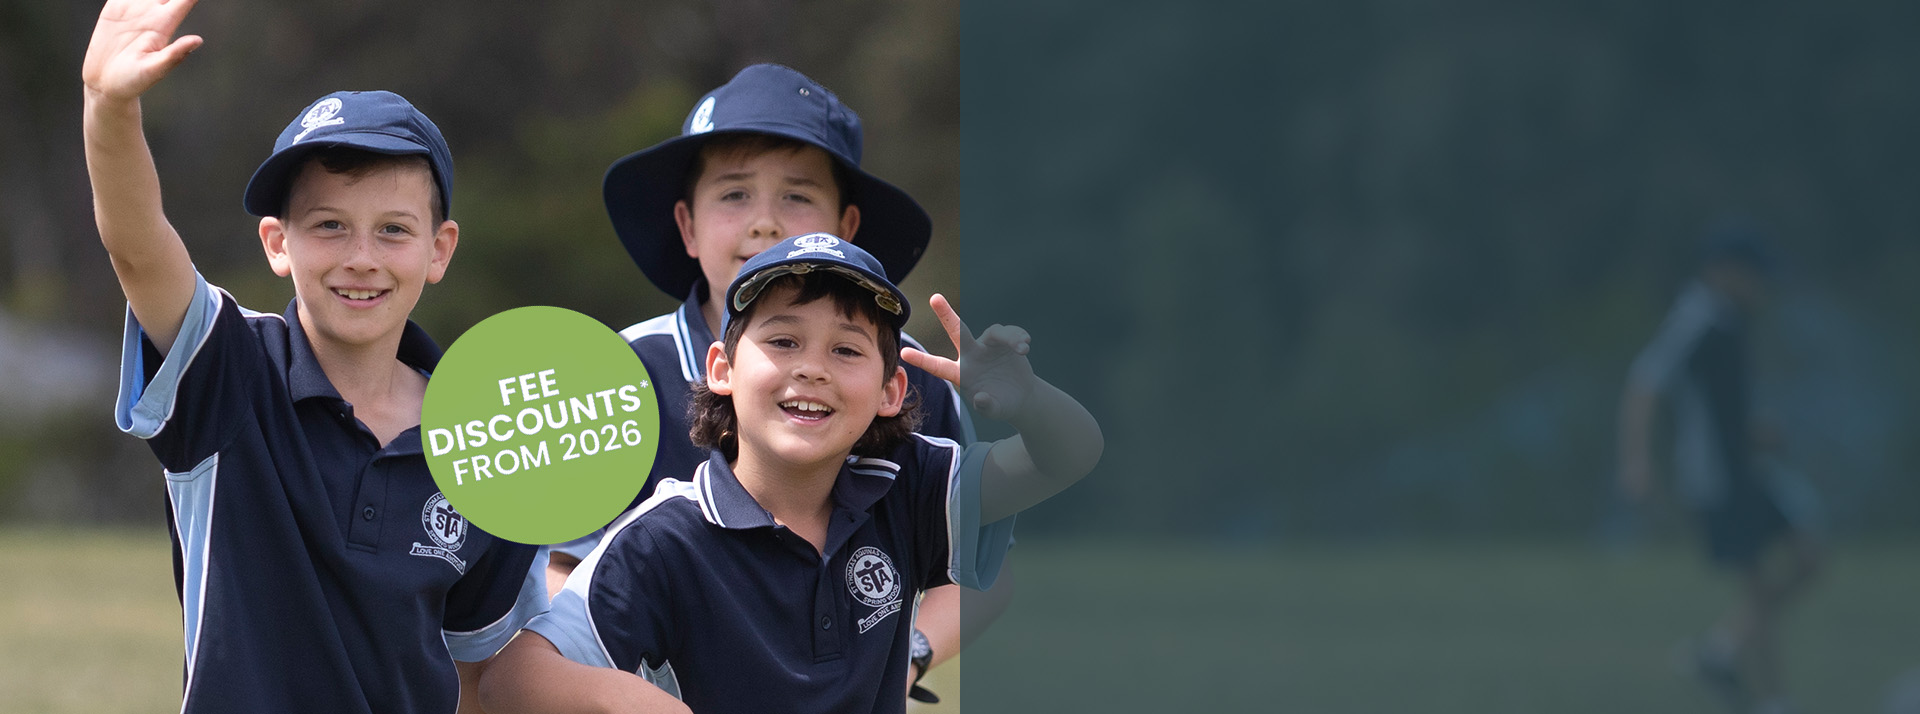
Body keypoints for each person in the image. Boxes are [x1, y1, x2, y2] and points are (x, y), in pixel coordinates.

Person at [81, 0, 546, 711]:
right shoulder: (227, 369)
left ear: (439, 249)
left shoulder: (492, 436)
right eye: (329, 225)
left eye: (393, 229)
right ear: (277, 243)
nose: (361, 258)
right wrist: (108, 109)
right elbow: (137, 248)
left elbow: (476, 675)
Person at [478, 233, 1101, 713]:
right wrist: (633, 700)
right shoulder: (663, 539)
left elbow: (1070, 455)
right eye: (782, 341)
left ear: (891, 390)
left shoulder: (908, 484)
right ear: (721, 368)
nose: (813, 368)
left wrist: (1029, 402)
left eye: (847, 349)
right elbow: (510, 680)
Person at [545, 63, 1003, 700]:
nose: (764, 222)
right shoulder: (613, 373)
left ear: (845, 226)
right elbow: (558, 573)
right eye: (734, 195)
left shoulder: (903, 372)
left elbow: (985, 563)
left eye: (796, 196)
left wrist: (910, 655)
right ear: (688, 224)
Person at [1617, 222, 1822, 714]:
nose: (1762, 286)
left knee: (1809, 558)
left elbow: (1717, 405)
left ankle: (1719, 650)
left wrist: (1755, 431)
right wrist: (1637, 461)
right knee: (1756, 584)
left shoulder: (1730, 320)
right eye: (1754, 275)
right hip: (1716, 478)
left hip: (1745, 468)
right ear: (1724, 272)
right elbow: (1644, 385)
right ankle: (1773, 699)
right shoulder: (1697, 318)